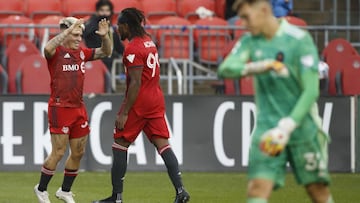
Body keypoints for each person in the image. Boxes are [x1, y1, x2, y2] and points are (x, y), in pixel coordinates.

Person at [218, 0, 334, 203]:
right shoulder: (250, 41)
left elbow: (311, 90)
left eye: (246, 17)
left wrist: (287, 127)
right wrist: (260, 66)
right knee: (257, 188)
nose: (243, 23)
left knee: (318, 191)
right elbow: (225, 69)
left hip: (302, 128)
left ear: (263, 10)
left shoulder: (299, 40)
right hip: (267, 128)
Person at [93, 8, 190, 203]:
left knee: (119, 144)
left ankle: (116, 198)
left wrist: (125, 113)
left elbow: (136, 83)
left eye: (119, 26)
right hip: (155, 98)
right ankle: (181, 191)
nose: (117, 29)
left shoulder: (133, 48)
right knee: (163, 144)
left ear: (127, 26)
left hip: (140, 102)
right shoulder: (149, 42)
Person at [34, 16, 112, 203]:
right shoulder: (55, 53)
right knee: (59, 152)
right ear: (66, 33)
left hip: (78, 108)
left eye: (80, 35)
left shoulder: (82, 53)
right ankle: (41, 188)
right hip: (60, 107)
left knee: (78, 152)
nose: (79, 38)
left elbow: (106, 52)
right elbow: (46, 48)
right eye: (76, 35)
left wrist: (105, 36)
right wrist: (67, 31)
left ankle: (65, 191)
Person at [84, 0, 124, 72]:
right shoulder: (91, 25)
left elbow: (119, 47)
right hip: (97, 59)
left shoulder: (111, 27)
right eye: (102, 10)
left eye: (107, 10)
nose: (105, 13)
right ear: (97, 11)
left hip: (112, 60)